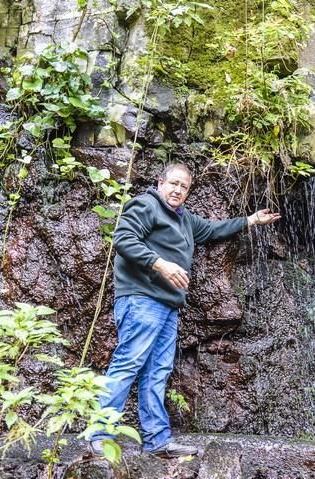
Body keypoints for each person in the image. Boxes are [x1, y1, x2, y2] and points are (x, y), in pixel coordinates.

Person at [89, 163, 281, 458]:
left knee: (158, 372)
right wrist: (160, 263)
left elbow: (214, 230)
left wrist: (251, 220)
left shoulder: (185, 219)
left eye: (184, 187)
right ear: (160, 182)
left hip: (167, 306)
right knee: (128, 363)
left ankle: (157, 440)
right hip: (141, 299)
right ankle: (100, 434)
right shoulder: (146, 205)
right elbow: (123, 239)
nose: (178, 190)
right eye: (173, 184)